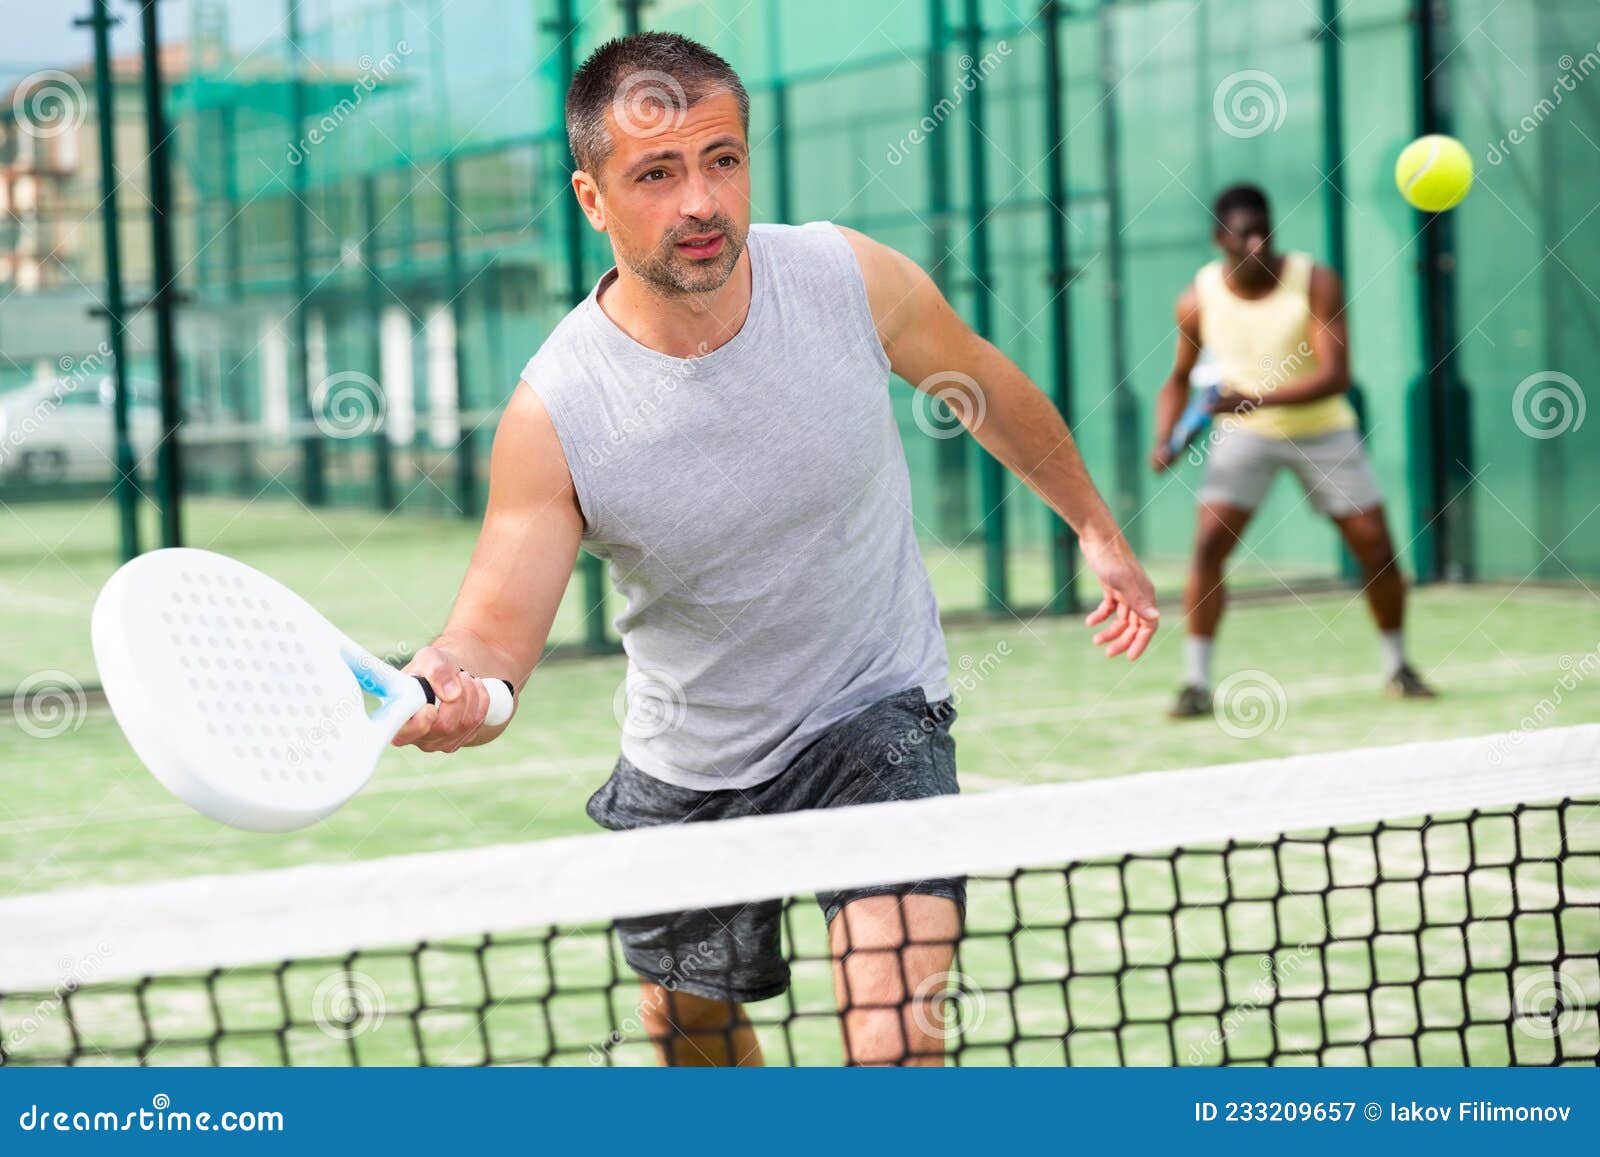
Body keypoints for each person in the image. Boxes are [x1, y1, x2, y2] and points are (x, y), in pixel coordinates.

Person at [391, 32, 1158, 1066]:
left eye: (722, 160)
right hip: (691, 758)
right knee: (688, 1037)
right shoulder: (557, 409)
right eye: (656, 174)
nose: (701, 201)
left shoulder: (844, 275)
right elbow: (491, 627)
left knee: (894, 1038)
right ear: (592, 198)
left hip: (873, 710)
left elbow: (980, 382)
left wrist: (1097, 528)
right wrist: (453, 675)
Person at [1151, 183, 1434, 719]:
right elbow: (1178, 379)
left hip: (1321, 427)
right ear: (1219, 239)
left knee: (1375, 545)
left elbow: (1335, 375)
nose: (1256, 244)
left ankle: (1398, 667)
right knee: (1209, 546)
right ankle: (1195, 683)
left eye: (1264, 232)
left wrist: (1252, 398)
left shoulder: (1315, 281)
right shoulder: (1197, 298)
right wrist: (1165, 438)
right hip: (1244, 434)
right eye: (1243, 236)